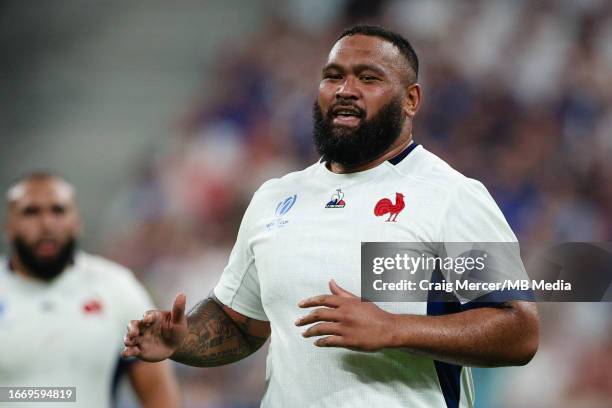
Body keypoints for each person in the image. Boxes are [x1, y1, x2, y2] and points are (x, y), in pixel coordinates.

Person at [123, 25, 539, 407]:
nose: (345, 89)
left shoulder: (453, 196)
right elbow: (239, 324)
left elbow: (519, 330)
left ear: (411, 99)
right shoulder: (275, 196)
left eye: (368, 77)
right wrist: (182, 339)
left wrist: (395, 329)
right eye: (333, 75)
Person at [0, 172, 180, 408]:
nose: (46, 224)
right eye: (31, 212)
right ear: (9, 227)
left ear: (77, 223)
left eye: (58, 210)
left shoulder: (116, 288)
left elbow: (159, 395)